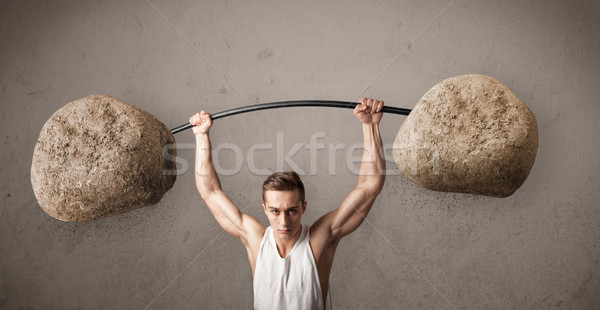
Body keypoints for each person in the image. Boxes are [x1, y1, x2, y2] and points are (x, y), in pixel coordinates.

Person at [189, 97, 386, 310]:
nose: (284, 221)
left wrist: (370, 125)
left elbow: (369, 185)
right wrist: (201, 136)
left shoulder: (319, 239)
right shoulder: (256, 240)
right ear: (264, 209)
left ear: (303, 207)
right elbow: (209, 192)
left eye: (292, 211)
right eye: (275, 211)